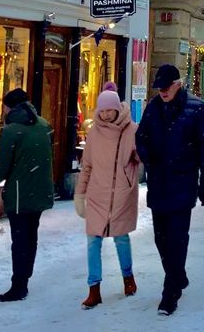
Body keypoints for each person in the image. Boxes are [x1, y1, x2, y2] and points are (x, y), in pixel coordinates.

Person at [136, 65, 204, 316]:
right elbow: (141, 136)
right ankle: (178, 275)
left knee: (177, 238)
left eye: (166, 87)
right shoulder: (153, 107)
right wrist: (148, 158)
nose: (163, 91)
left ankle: (169, 294)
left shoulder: (197, 108)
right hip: (159, 182)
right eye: (159, 88)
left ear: (178, 84)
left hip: (183, 181)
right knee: (161, 238)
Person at [74, 84, 139, 309]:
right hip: (97, 194)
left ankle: (128, 278)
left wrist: (130, 176)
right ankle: (94, 289)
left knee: (121, 238)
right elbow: (87, 167)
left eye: (108, 110)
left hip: (121, 194)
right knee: (93, 241)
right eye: (101, 111)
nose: (104, 114)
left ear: (117, 109)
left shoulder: (132, 129)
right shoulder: (94, 132)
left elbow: (141, 158)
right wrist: (80, 193)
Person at [0, 88, 54, 302]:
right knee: (30, 237)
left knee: (19, 240)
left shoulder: (11, 131)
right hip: (39, 191)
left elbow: (2, 170)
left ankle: (18, 286)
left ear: (9, 107)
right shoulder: (44, 125)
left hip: (19, 194)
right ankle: (24, 280)